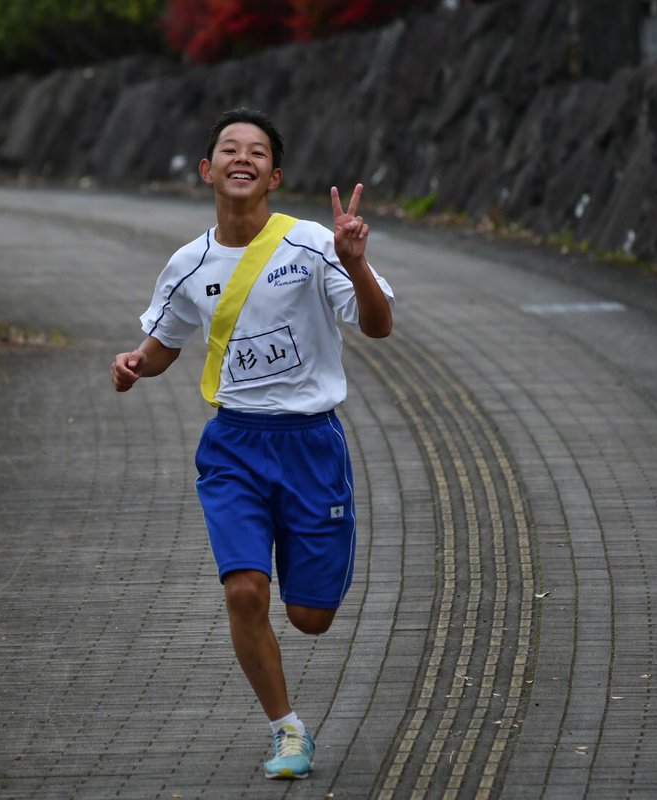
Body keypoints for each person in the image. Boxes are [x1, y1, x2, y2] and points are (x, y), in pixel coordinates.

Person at [111, 107, 394, 781]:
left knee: (311, 617)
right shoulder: (188, 263)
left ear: (274, 175)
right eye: (229, 150)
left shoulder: (314, 244)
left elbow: (379, 326)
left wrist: (355, 264)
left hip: (311, 446)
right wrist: (134, 364)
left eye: (257, 152)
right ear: (208, 171)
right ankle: (286, 729)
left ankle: (322, 563)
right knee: (244, 592)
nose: (243, 158)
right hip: (234, 445)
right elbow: (164, 345)